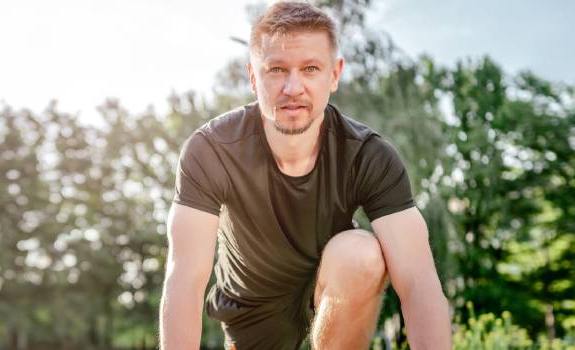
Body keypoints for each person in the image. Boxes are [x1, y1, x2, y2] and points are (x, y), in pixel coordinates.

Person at [159, 2, 451, 349]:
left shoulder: (369, 155)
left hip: (332, 298)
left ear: (334, 74)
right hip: (252, 318)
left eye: (310, 68)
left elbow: (419, 283)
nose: (293, 87)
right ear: (254, 77)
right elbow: (185, 280)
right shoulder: (211, 150)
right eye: (277, 69)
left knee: (362, 254)